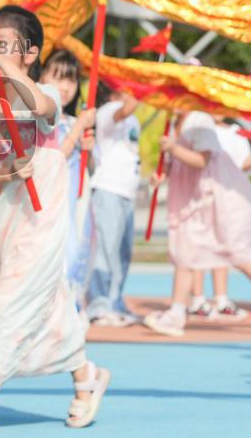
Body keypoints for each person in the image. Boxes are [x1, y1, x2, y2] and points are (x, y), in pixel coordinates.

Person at [0, 7, 111, 433]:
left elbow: (40, 105)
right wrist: (8, 173)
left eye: (3, 44)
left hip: (41, 220)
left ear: (30, 54)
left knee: (8, 303)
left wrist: (9, 69)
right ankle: (86, 375)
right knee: (40, 306)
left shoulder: (43, 92)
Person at [144, 109, 251, 337]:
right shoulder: (174, 122)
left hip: (218, 198)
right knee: (186, 253)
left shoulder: (200, 120)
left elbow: (202, 160)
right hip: (195, 202)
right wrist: (163, 173)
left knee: (237, 252)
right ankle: (176, 313)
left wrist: (173, 148)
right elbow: (176, 163)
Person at [188, 118, 251, 320]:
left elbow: (242, 165)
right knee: (199, 247)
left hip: (226, 198)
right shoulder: (199, 129)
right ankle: (197, 299)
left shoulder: (236, 133)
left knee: (222, 246)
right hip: (202, 194)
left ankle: (221, 298)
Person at [40, 49, 95, 307]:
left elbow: (89, 167)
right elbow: (54, 160)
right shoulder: (43, 121)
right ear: (42, 76)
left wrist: (88, 149)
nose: (65, 87)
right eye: (58, 77)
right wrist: (78, 129)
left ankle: (69, 311)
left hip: (75, 204)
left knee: (74, 256)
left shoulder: (74, 121)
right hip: (50, 205)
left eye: (71, 80)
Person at [86, 83, 141, 327]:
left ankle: (114, 302)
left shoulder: (132, 118)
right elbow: (126, 109)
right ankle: (98, 307)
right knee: (104, 249)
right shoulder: (107, 110)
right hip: (108, 188)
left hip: (127, 190)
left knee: (122, 253)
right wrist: (143, 86)